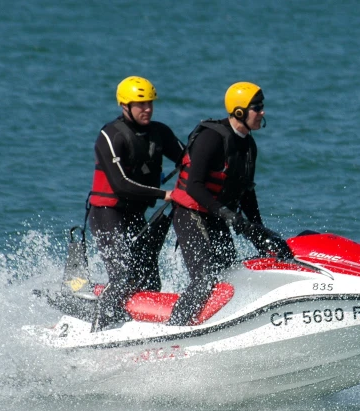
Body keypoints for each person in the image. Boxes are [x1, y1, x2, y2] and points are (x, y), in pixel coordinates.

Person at [167, 81, 293, 326]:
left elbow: (246, 193)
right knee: (205, 277)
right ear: (239, 112)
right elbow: (194, 186)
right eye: (257, 108)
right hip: (191, 214)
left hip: (217, 216)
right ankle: (174, 329)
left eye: (262, 107)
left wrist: (258, 231)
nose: (262, 112)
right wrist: (224, 212)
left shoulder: (248, 145)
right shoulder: (211, 138)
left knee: (230, 275)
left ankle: (221, 325)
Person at [88, 76, 185, 331]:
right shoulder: (110, 136)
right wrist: (164, 195)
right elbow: (120, 184)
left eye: (150, 103)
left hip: (135, 213)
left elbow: (186, 161)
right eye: (140, 104)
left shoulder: (160, 132)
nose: (148, 109)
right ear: (125, 106)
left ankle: (140, 328)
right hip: (107, 213)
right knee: (122, 276)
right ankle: (98, 328)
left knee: (149, 277)